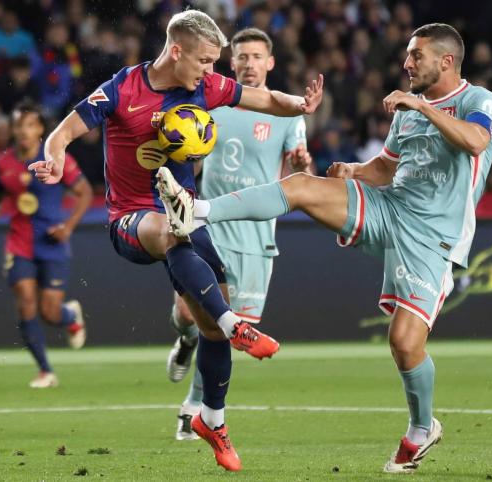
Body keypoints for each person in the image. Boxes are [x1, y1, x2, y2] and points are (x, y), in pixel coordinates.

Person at [158, 23, 492, 474]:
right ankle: (197, 211)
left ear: (447, 61)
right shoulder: (407, 113)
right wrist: (353, 171)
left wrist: (420, 104)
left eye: (416, 56)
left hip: (434, 236)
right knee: (301, 186)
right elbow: (385, 168)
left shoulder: (477, 101)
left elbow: (476, 141)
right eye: (408, 55)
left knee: (403, 343)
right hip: (389, 207)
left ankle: (422, 428)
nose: (407, 63)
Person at [29, 10, 323, 472]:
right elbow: (64, 132)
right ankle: (236, 327)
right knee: (174, 234)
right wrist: (52, 159)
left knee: (204, 323)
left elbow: (264, 99)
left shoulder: (205, 88)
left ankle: (214, 420)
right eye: (206, 61)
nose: (213, 72)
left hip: (186, 219)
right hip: (131, 221)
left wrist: (300, 106)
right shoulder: (123, 88)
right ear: (177, 50)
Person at [165, 27, 313, 441]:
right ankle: (186, 340)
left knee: (227, 331)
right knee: (187, 316)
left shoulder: (285, 112)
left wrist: (301, 159)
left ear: (270, 63)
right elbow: (189, 159)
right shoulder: (209, 101)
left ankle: (193, 407)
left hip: (255, 236)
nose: (249, 64)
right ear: (232, 62)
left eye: (256, 57)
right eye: (242, 57)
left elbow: (298, 166)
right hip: (206, 226)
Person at [0, 100, 93, 388]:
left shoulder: (56, 159)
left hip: (52, 243)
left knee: (49, 312)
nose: (23, 131)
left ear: (40, 129)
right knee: (25, 301)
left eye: (29, 125)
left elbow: (84, 193)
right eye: (18, 125)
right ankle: (46, 370)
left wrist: (67, 227)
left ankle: (70, 315)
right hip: (19, 243)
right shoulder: (2, 164)